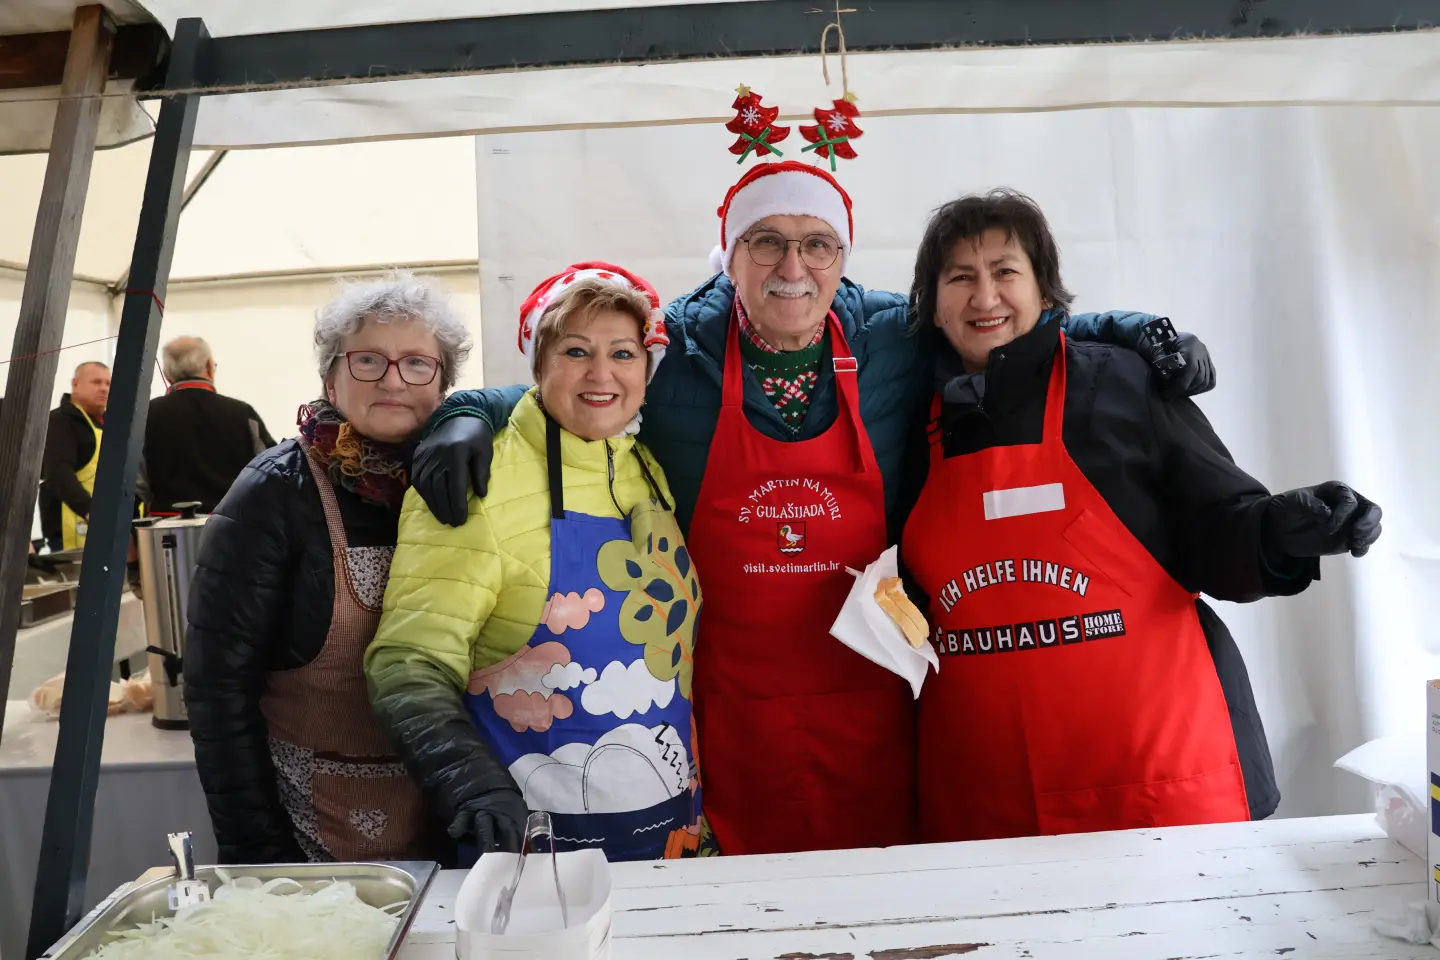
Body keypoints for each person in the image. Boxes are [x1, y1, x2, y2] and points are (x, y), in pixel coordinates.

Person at [405, 161, 1214, 856]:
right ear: (731, 256)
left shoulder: (896, 335)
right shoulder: (679, 343)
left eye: (816, 242)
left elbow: (1008, 326)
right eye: (767, 241)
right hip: (730, 706)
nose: (793, 263)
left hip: (877, 694)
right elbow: (580, 366)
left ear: (840, 258)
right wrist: (466, 411)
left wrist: (1139, 330)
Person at [898, 189, 1382, 843]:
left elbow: (1217, 527)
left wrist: (1281, 529)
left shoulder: (1121, 383)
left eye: (1005, 272)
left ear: (1047, 292)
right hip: (988, 798)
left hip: (1155, 782)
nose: (984, 297)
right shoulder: (910, 423)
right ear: (933, 309)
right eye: (960, 278)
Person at [368, 264, 713, 861]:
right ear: (538, 365)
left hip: (671, 841)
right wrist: (469, 784)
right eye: (576, 350)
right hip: (535, 859)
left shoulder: (645, 470)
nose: (601, 374)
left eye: (623, 353)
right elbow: (408, 660)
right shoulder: (482, 477)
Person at [183, 272, 472, 864]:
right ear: (331, 377)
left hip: (451, 809)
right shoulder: (271, 493)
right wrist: (258, 854)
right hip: (314, 830)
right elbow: (218, 692)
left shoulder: (466, 483)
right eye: (368, 360)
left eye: (418, 363)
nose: (393, 380)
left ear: (444, 385)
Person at [139, 336, 275, 516]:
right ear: (210, 367)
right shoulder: (242, 413)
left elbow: (134, 483)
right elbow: (271, 469)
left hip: (165, 530)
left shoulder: (145, 415)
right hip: (231, 525)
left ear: (166, 373)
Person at [39, 360, 110, 550]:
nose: (104, 388)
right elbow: (57, 472)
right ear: (75, 384)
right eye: (96, 382)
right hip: (74, 529)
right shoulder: (59, 422)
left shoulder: (110, 423)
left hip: (111, 526)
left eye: (108, 383)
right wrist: (90, 511)